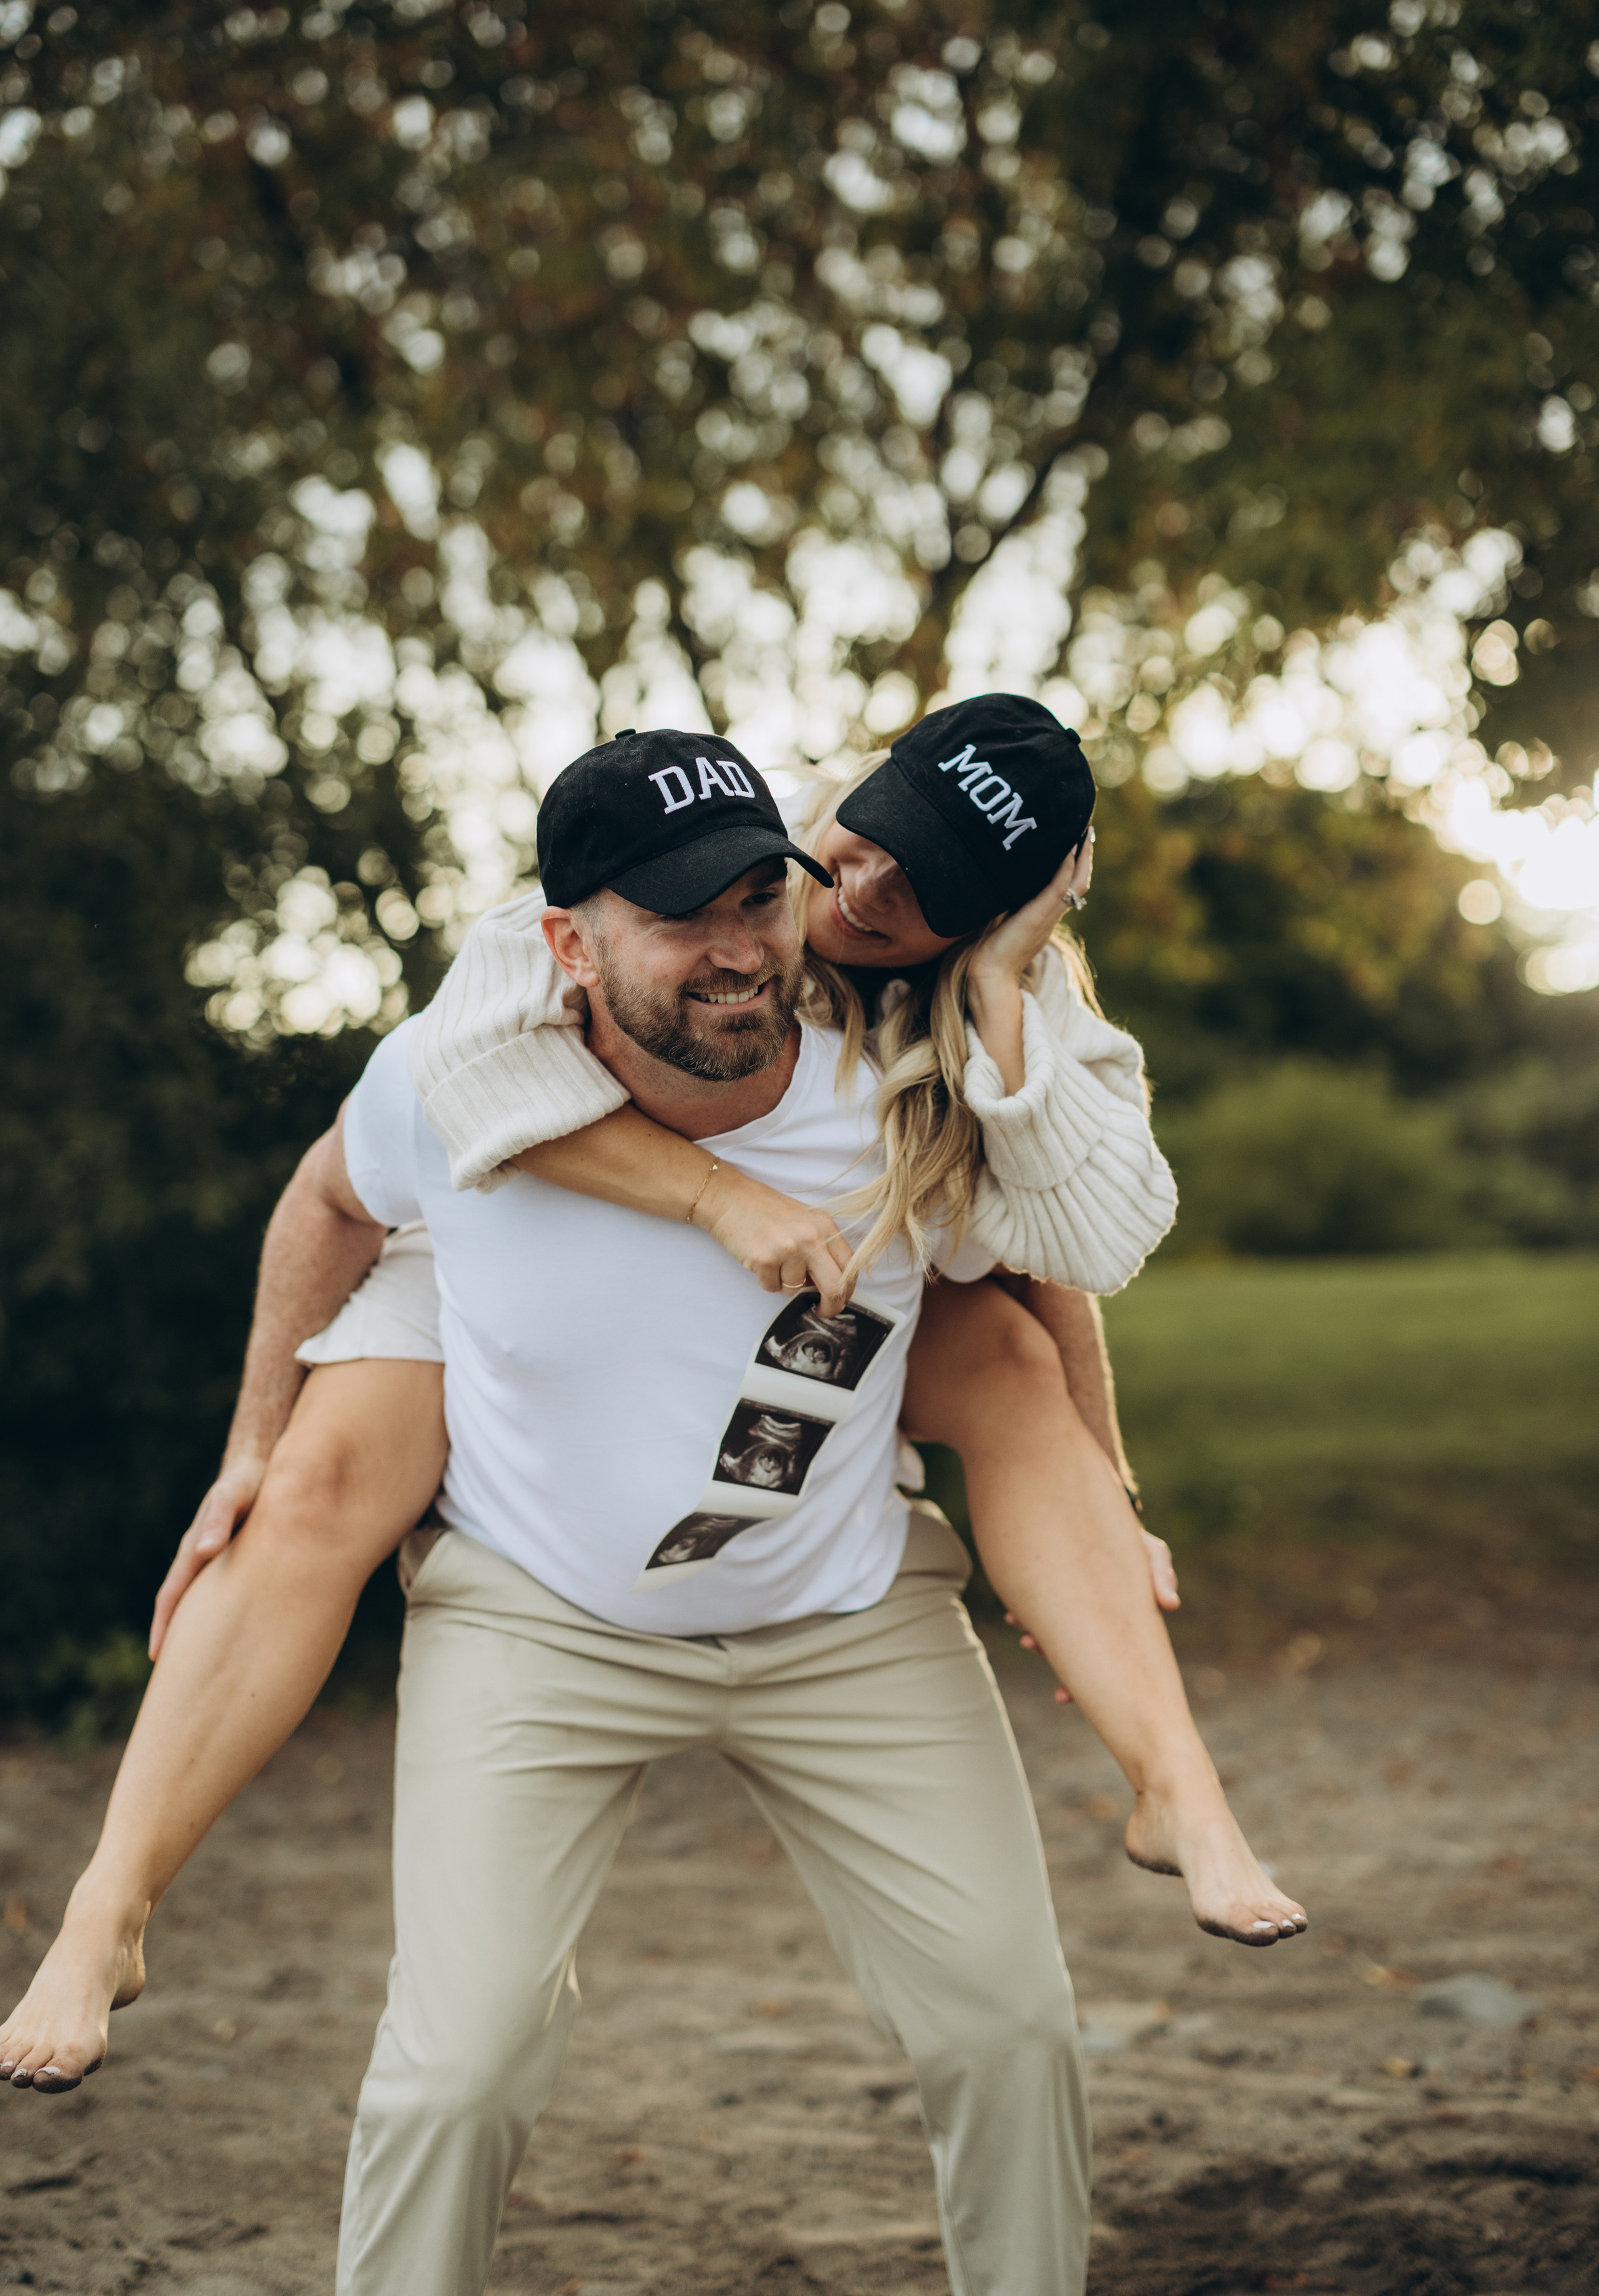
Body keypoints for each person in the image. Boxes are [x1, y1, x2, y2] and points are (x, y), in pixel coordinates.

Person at [1, 710, 1304, 2178]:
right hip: (489, 1243)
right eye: (860, 847)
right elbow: (427, 1125)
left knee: (1002, 1354)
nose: (863, 896)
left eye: (925, 890)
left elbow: (1058, 1257)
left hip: (836, 1310)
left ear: (1004, 910)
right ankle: (108, 1909)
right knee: (311, 1483)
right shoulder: (620, 907)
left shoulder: (959, 1025)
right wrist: (248, 1439)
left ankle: (1176, 1792)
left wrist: (1106, 1476)